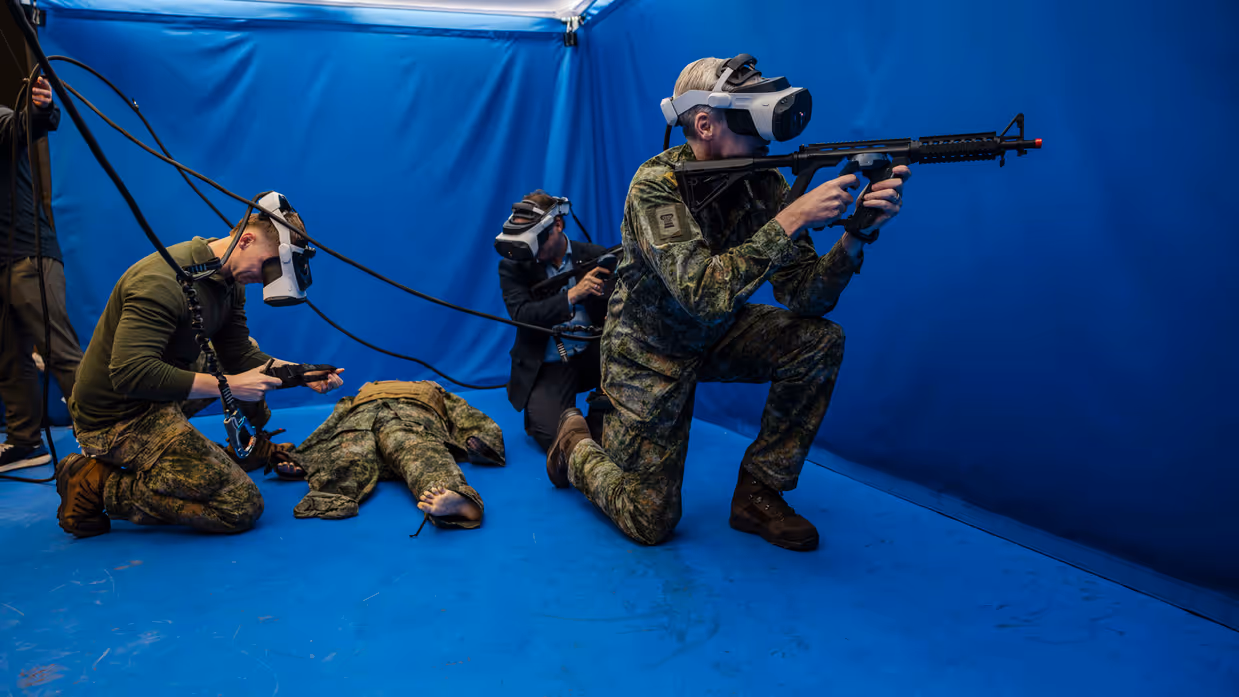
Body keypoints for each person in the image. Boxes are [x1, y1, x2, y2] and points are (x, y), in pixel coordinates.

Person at [545, 56, 911, 551]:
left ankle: (759, 493)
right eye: (752, 120)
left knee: (818, 343)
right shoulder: (656, 187)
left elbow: (806, 297)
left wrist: (855, 237)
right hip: (647, 355)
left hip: (713, 335)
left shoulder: (765, 184)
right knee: (649, 520)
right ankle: (575, 444)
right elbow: (703, 293)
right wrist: (793, 218)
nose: (766, 140)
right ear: (705, 123)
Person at [54, 202, 343, 537]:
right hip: (117, 416)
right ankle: (97, 483)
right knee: (238, 506)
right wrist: (231, 386)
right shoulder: (159, 281)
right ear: (245, 240)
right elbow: (130, 373)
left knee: (242, 363)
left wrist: (299, 373)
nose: (265, 279)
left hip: (159, 393)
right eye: (268, 266)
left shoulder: (228, 278)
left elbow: (237, 354)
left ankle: (245, 448)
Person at [0, 77, 84, 471]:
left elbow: (23, 126)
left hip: (30, 257)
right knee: (9, 357)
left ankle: (103, 433)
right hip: (2, 264)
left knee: (59, 351)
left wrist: (39, 109)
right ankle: (24, 443)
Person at [288, 380, 505, 529]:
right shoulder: (357, 397)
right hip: (362, 418)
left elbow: (465, 414)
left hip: (408, 415)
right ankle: (330, 492)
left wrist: (481, 441)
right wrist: (304, 457)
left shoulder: (433, 390)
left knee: (413, 445)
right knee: (349, 448)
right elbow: (333, 422)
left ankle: (458, 501)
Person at [497, 190, 614, 451]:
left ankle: (596, 420)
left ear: (557, 225)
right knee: (550, 436)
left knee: (620, 430)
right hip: (549, 362)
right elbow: (522, 316)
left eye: (537, 240)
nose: (532, 250)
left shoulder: (594, 255)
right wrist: (572, 295)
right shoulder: (514, 267)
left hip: (592, 355)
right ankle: (576, 427)